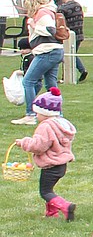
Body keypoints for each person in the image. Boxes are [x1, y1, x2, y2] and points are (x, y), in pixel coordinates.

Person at [15, 87, 76, 219]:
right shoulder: (62, 124)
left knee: (45, 192)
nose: (36, 116)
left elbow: (39, 146)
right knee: (49, 190)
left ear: (46, 112)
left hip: (51, 166)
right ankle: (51, 213)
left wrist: (24, 142)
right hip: (61, 165)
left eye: (37, 113)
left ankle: (66, 206)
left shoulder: (45, 126)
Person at [12, 0, 65, 126]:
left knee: (28, 81)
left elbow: (50, 30)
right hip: (55, 50)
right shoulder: (49, 11)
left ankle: (30, 114)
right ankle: (56, 113)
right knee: (50, 84)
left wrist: (34, 26)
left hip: (46, 52)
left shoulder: (42, 13)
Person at [58, 0, 87, 82]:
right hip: (79, 34)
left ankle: (65, 77)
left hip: (68, 35)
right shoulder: (78, 5)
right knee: (72, 54)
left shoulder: (63, 8)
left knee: (67, 55)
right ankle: (82, 70)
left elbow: (59, 22)